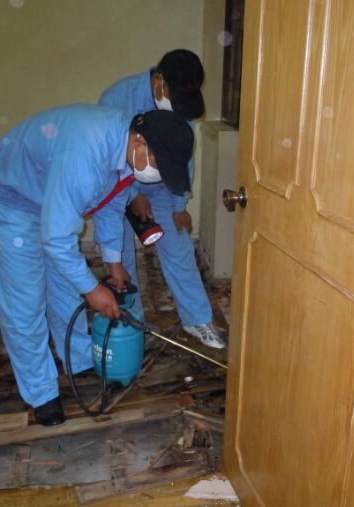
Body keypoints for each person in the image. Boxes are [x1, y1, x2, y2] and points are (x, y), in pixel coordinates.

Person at [0, 104, 193, 426]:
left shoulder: (126, 153)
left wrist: (113, 262)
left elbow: (109, 206)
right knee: (25, 300)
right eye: (159, 164)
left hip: (50, 195)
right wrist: (92, 289)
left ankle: (78, 361)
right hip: (13, 201)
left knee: (65, 287)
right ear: (140, 143)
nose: (159, 174)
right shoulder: (86, 155)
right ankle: (41, 392)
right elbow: (56, 238)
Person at [99, 49, 226, 349]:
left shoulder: (182, 104)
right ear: (158, 82)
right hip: (120, 183)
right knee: (120, 254)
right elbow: (105, 161)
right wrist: (132, 196)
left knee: (178, 247)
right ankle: (132, 322)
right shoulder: (116, 99)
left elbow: (184, 156)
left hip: (162, 183)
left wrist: (180, 205)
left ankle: (197, 320)